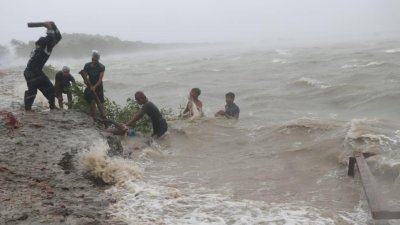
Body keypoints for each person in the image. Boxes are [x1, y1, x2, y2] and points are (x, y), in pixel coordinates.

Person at [23, 21, 62, 111]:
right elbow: (51, 38)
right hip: (30, 72)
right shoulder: (43, 49)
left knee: (50, 88)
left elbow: (58, 37)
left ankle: (52, 106)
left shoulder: (43, 47)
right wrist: (50, 28)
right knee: (32, 91)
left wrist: (54, 26)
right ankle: (28, 108)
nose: (54, 43)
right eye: (52, 43)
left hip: (37, 71)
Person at [83, 51, 105, 118]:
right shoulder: (87, 65)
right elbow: (85, 75)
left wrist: (95, 86)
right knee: (91, 100)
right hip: (90, 85)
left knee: (100, 103)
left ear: (98, 59)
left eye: (95, 60)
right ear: (91, 58)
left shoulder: (101, 67)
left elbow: (100, 79)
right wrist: (85, 80)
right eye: (93, 59)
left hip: (98, 86)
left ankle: (103, 117)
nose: (94, 61)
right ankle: (93, 117)